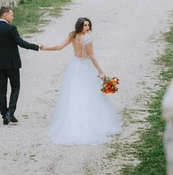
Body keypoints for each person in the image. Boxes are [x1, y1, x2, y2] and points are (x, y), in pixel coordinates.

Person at [41, 17, 121, 145]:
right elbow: (91, 56)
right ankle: (88, 124)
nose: (87, 28)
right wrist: (100, 71)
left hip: (74, 66)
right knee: (89, 93)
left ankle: (73, 122)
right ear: (79, 26)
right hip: (84, 66)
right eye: (85, 25)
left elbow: (59, 47)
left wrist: (45, 48)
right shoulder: (87, 39)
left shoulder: (73, 36)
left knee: (74, 92)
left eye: (88, 25)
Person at [0, 6, 41, 125]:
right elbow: (20, 43)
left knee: (2, 89)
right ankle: (10, 112)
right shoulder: (11, 29)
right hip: (12, 64)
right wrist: (36, 46)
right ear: (5, 15)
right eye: (11, 15)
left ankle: (4, 113)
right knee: (15, 87)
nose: (12, 17)